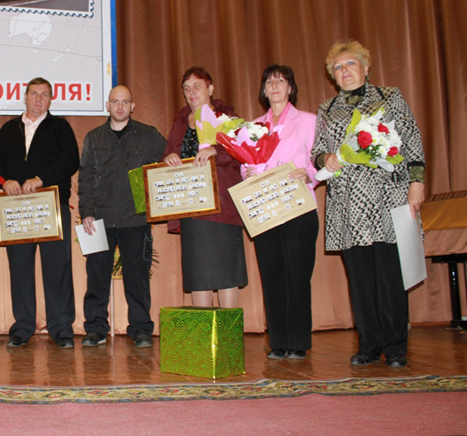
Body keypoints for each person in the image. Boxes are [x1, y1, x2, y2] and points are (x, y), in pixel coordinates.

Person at [311, 40, 425, 368]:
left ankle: (396, 347)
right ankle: (369, 345)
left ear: (366, 68)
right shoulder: (326, 109)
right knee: (360, 279)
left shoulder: (390, 97)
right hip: (348, 205)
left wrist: (417, 184)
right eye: (338, 67)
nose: (344, 71)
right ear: (332, 76)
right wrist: (326, 158)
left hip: (388, 198)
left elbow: (412, 140)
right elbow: (316, 150)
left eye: (350, 64)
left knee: (390, 275)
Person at [0, 78, 80, 348]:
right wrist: (4, 181)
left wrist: (41, 179)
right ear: (25, 97)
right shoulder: (9, 129)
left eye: (44, 95)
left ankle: (61, 328)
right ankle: (22, 327)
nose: (38, 99)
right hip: (16, 209)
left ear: (50, 100)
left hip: (52, 205)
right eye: (34, 94)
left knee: (57, 268)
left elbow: (71, 160)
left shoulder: (60, 127)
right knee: (19, 268)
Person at [78, 86, 166, 348]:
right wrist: (87, 213)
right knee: (96, 279)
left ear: (132, 106)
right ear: (107, 105)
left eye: (125, 102)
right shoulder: (93, 138)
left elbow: (168, 161)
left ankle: (140, 329)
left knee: (137, 279)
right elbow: (85, 178)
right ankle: (95, 329)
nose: (119, 107)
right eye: (115, 102)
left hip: (135, 220)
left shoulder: (149, 136)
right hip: (98, 221)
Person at [244, 65, 319, 360]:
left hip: (298, 206)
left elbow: (319, 159)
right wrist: (248, 172)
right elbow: (245, 163)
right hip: (265, 208)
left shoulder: (308, 121)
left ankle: (298, 342)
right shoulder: (254, 126)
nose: (274, 85)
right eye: (269, 82)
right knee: (272, 274)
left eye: (280, 80)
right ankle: (278, 342)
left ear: (290, 88)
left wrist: (310, 174)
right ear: (264, 90)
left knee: (297, 275)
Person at [163, 66, 247, 308]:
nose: (191, 92)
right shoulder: (180, 122)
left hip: (222, 208)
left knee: (226, 272)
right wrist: (168, 158)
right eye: (186, 88)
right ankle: (203, 330)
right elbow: (167, 154)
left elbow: (243, 153)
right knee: (198, 274)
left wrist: (216, 151)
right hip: (191, 209)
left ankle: (226, 331)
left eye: (196, 86)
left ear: (210, 89)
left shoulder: (226, 119)